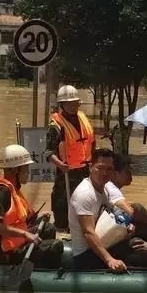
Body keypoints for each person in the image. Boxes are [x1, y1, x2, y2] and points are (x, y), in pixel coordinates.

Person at [0, 144, 63, 268]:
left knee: (48, 228)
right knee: (55, 246)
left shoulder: (13, 190)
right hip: (7, 253)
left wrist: (40, 218)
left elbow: (20, 221)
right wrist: (24, 234)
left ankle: (37, 265)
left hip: (17, 243)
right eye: (26, 168)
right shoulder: (0, 192)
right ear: (14, 170)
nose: (28, 172)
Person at [69, 148, 133, 272]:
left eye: (109, 169)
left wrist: (127, 226)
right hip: (86, 254)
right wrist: (110, 260)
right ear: (90, 167)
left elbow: (111, 212)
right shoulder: (85, 194)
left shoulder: (105, 189)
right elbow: (88, 233)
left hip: (104, 243)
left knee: (136, 244)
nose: (104, 173)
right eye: (100, 167)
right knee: (138, 259)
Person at [44, 85, 96, 232]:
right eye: (69, 104)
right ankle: (63, 230)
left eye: (75, 103)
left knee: (85, 205)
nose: (73, 107)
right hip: (66, 174)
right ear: (62, 105)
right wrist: (60, 164)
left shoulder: (83, 118)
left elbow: (91, 142)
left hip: (85, 171)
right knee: (63, 206)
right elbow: (48, 152)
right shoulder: (55, 125)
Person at [106, 153, 147, 242]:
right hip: (110, 231)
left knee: (136, 207)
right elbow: (131, 213)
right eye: (127, 172)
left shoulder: (108, 185)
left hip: (112, 224)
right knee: (138, 209)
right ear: (115, 174)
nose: (131, 175)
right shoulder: (112, 188)